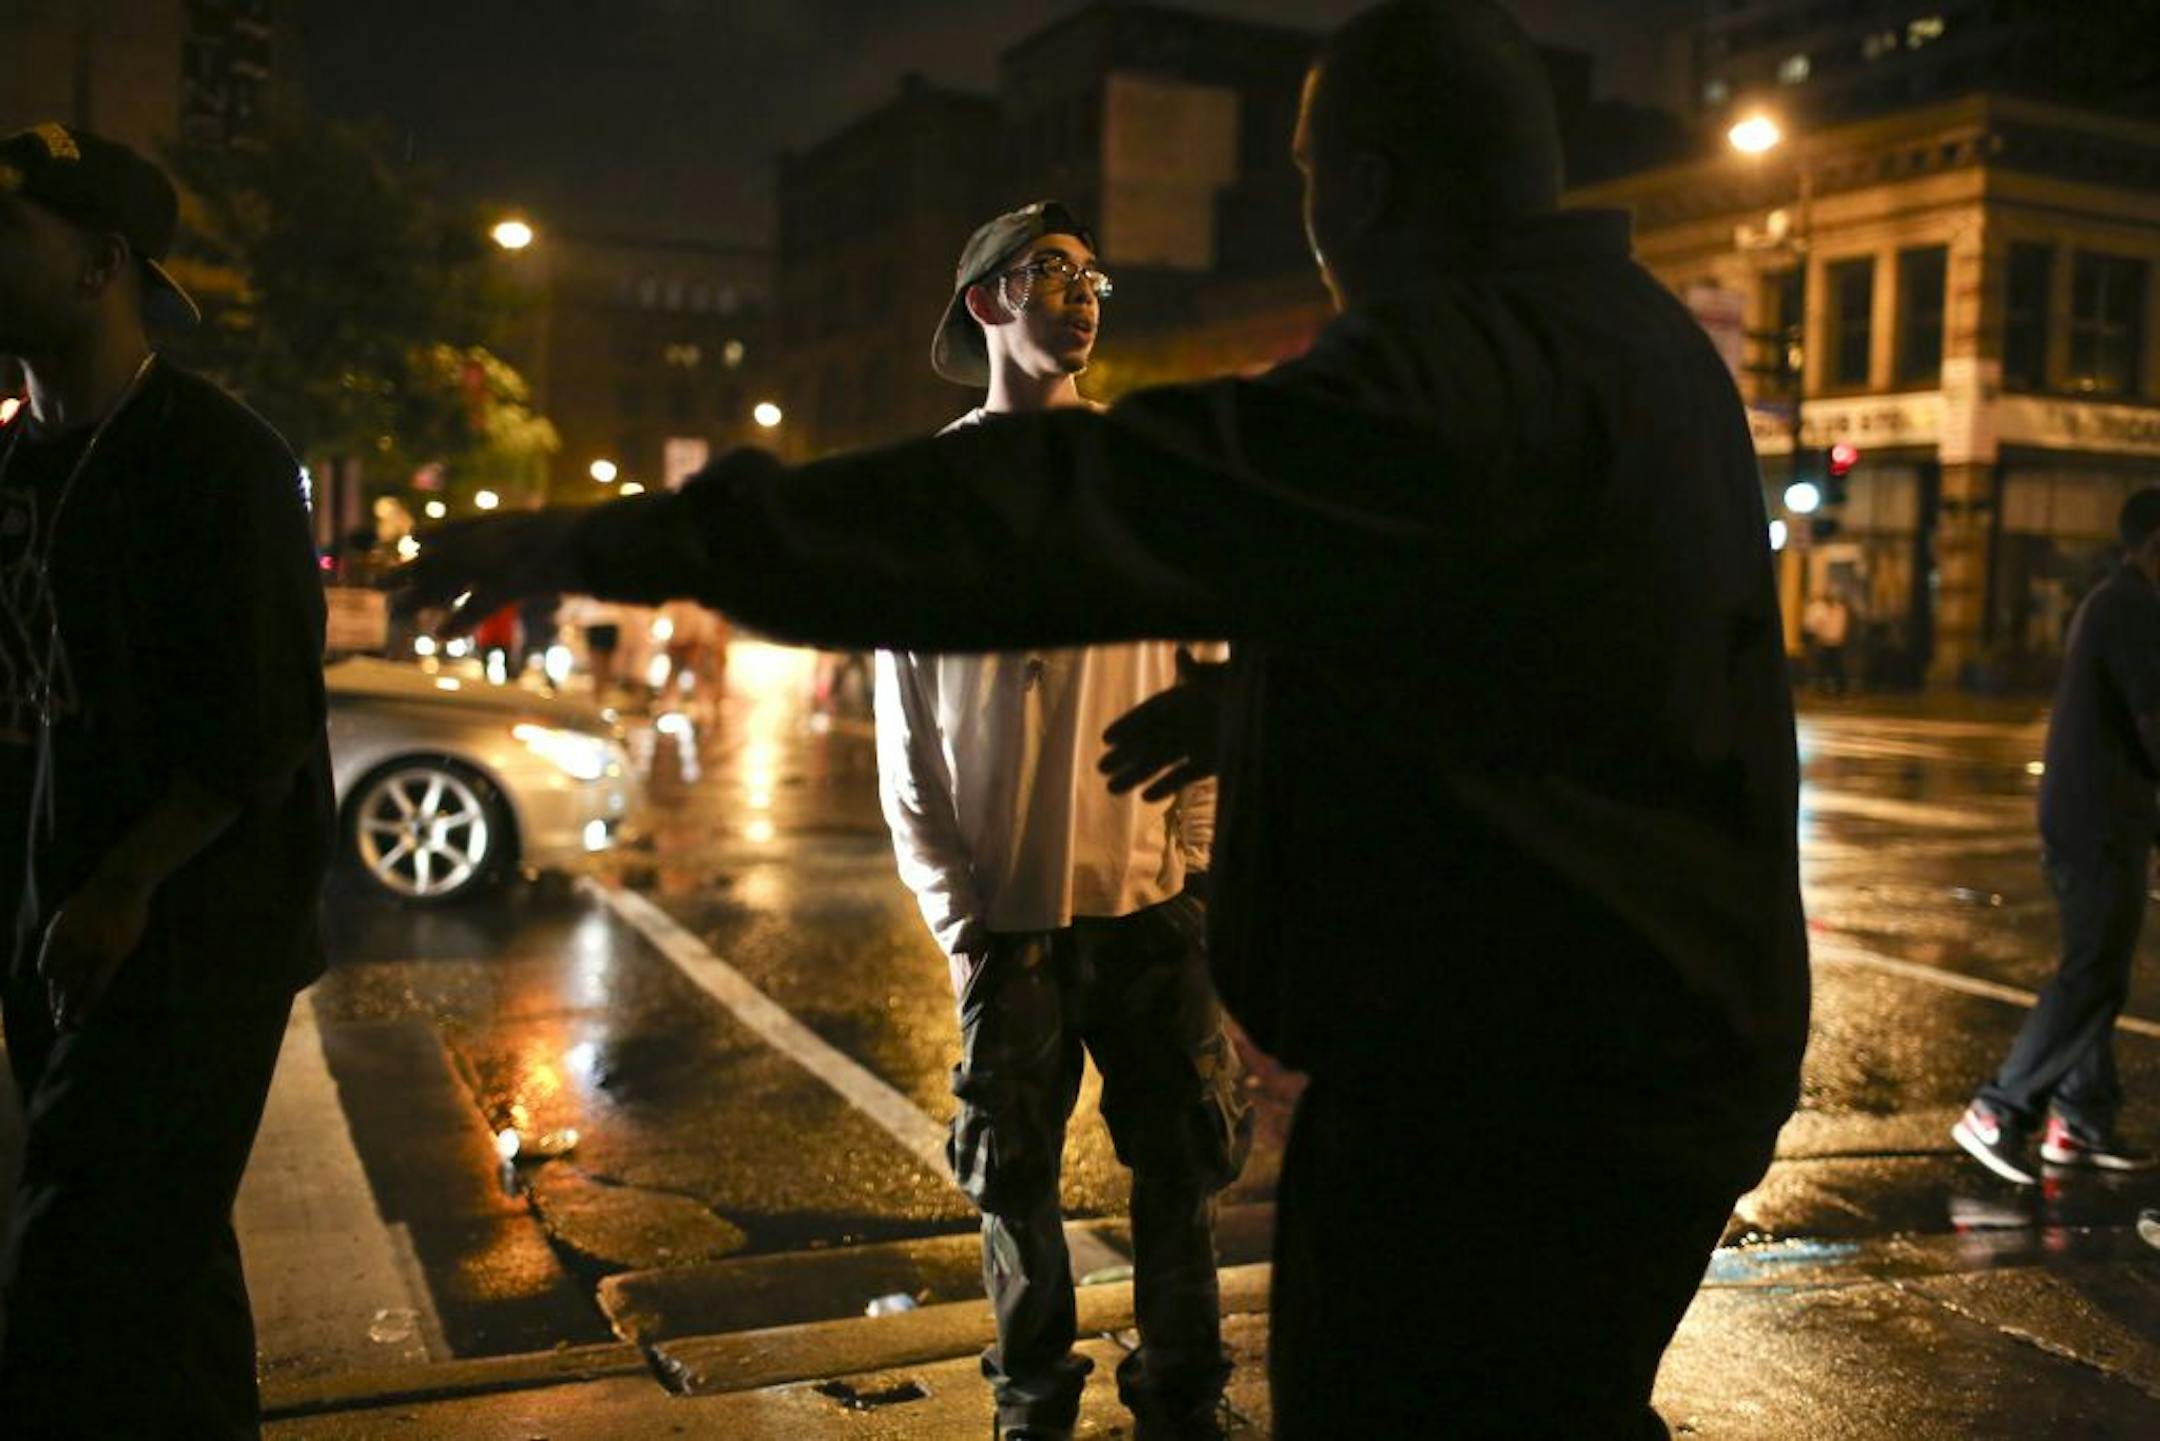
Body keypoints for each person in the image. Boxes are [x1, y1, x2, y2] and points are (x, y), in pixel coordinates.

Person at [401, 2, 1810, 1431]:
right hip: (1629, 1063)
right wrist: (1255, 702)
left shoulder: (1467, 362)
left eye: (1313, 179)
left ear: (1368, 189)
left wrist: (620, 540)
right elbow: (1519, 659)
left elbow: (1069, 506)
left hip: (1517, 1097)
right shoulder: (1627, 342)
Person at [876, 201, 1250, 1441]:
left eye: (1095, 277)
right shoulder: (931, 492)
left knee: (1182, 1166)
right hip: (1010, 913)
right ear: (987, 302)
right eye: (1050, 274)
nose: (1082, 296)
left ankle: (1183, 1396)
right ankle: (1030, 1400)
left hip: (1150, 905)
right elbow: (909, 731)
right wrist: (960, 914)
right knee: (1014, 1181)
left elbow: (1208, 677)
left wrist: (1189, 864)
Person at [0, 124, 334, 1438]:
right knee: (170, 1271)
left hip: (194, 944)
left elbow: (259, 724)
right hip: (57, 937)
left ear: (97, 266)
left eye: (7, 229)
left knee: (69, 1298)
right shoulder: (20, 461)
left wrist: (125, 884)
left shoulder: (215, 459)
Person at [1953, 489, 2160, 1185]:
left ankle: (2080, 1117)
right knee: (2091, 972)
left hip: (2094, 816)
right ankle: (2000, 1108)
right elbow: (2154, 722)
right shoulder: (2131, 608)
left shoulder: (2116, 600)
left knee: (2097, 965)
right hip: (2100, 820)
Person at [1804, 588, 1852, 695]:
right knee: (1826, 665)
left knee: (1835, 665)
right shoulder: (1827, 610)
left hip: (1834, 642)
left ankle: (1839, 687)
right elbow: (1819, 625)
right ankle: (1825, 686)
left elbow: (1837, 626)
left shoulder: (1838, 610)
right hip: (1826, 641)